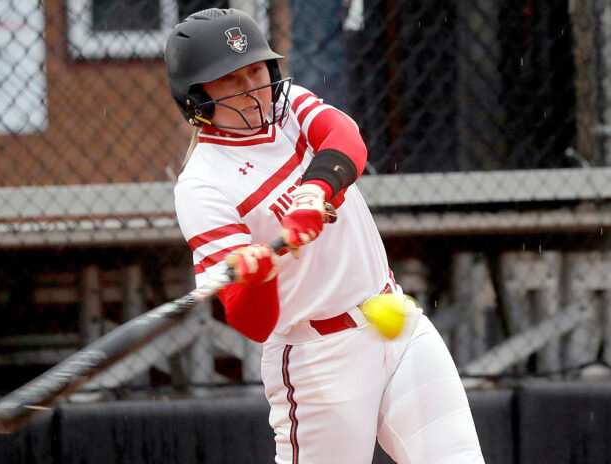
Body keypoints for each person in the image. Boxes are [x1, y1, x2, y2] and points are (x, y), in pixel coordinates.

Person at [165, 8, 485, 463]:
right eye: (232, 80)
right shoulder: (202, 186)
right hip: (317, 361)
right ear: (197, 99)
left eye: (257, 70)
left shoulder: (291, 106)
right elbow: (253, 323)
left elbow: (346, 138)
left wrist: (314, 192)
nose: (252, 88)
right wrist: (258, 276)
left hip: (395, 319)